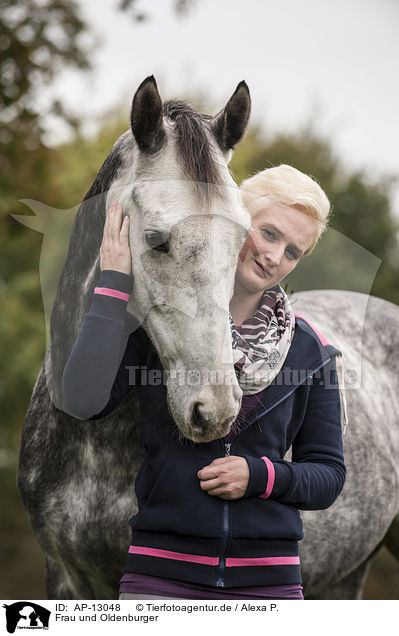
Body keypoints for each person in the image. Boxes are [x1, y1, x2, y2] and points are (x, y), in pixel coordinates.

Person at [62, 164, 346, 600]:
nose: (275, 256)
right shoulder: (159, 322)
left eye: (292, 251)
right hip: (158, 578)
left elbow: (328, 475)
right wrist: (114, 285)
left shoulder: (310, 350)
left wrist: (260, 475)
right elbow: (82, 400)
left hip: (271, 587)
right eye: (269, 233)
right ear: (234, 220)